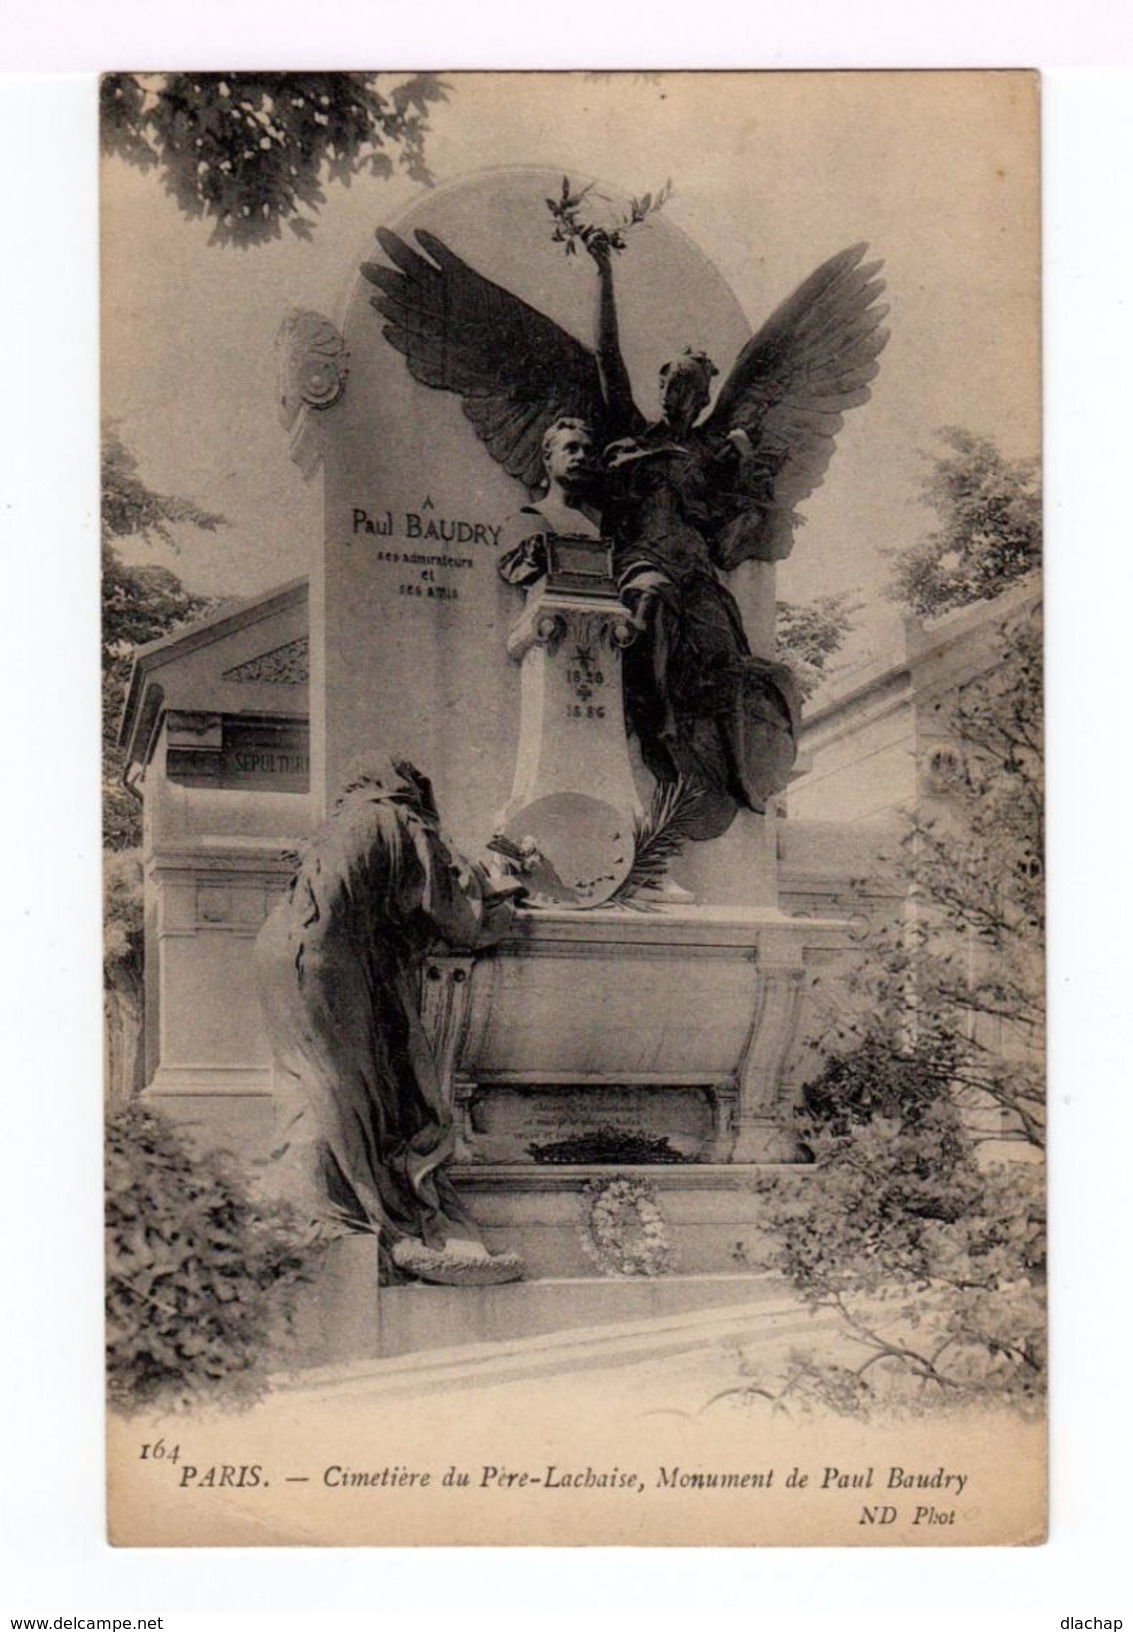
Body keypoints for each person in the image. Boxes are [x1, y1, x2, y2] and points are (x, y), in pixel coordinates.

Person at [254, 754, 526, 1285]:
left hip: (276, 954)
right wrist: (507, 884)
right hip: (327, 964)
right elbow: (461, 919)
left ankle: (298, 1217)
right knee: (343, 1094)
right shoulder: (400, 819)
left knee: (309, 1086)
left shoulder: (340, 826)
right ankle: (348, 1225)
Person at [602, 350, 801, 839]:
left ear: (704, 400)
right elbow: (610, 362)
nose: (682, 399)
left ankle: (736, 772)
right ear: (661, 387)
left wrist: (744, 460)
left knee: (730, 659)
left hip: (695, 568)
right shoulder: (633, 437)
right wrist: (604, 275)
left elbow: (736, 519)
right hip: (646, 559)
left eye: (694, 392)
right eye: (675, 387)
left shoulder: (710, 455)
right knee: (651, 602)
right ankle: (662, 725)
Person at [497, 417, 602, 589]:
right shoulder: (528, 521)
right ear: (548, 458)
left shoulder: (601, 522)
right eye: (571, 448)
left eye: (588, 451)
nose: (582, 457)